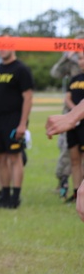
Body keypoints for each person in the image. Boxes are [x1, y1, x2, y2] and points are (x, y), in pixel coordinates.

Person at [0, 40, 33, 210]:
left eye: (5, 44)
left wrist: (23, 123)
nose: (1, 48)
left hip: (14, 119)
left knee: (14, 158)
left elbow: (28, 97)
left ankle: (15, 198)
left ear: (13, 46)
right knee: (0, 158)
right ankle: (5, 195)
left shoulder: (21, 70)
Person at [49, 40, 82, 197]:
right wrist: (66, 57)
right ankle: (67, 185)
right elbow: (55, 73)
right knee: (67, 153)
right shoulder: (73, 71)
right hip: (73, 118)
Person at [61, 54, 84, 205]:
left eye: (83, 58)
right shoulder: (75, 78)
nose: (80, 61)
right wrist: (75, 112)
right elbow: (67, 97)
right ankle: (76, 193)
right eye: (79, 58)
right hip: (74, 123)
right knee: (74, 160)